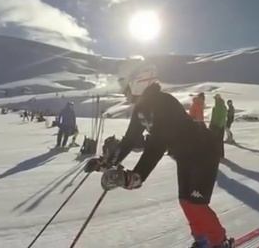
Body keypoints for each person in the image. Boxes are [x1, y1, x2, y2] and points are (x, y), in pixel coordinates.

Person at [93, 83, 233, 248]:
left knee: (197, 203)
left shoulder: (164, 102)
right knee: (185, 201)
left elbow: (158, 143)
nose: (126, 94)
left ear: (138, 84)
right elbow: (130, 139)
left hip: (204, 152)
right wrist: (108, 162)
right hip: (185, 156)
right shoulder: (141, 109)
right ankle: (202, 240)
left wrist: (137, 175)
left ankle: (219, 242)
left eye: (127, 89)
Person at [210, 94, 227, 158]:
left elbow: (223, 117)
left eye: (216, 99)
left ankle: (220, 154)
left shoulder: (223, 107)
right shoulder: (215, 107)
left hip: (219, 127)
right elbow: (213, 117)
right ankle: (216, 153)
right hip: (214, 125)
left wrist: (219, 126)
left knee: (219, 140)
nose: (215, 100)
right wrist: (211, 124)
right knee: (215, 140)